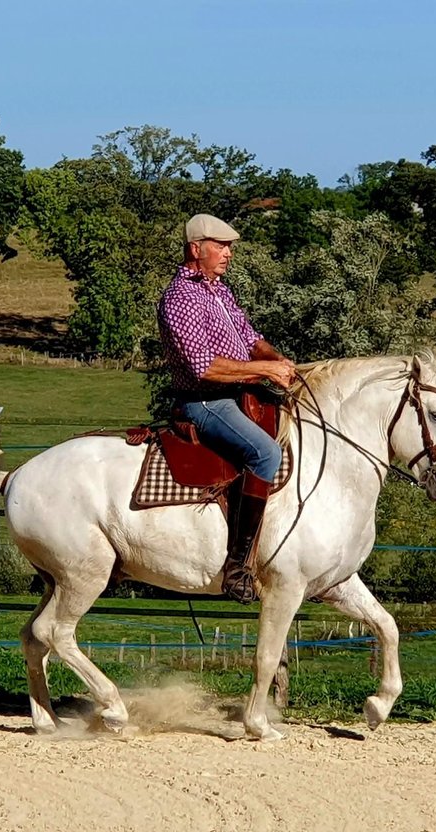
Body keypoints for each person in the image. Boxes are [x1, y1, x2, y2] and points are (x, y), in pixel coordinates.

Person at [158, 213, 297, 603]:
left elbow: (252, 339)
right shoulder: (180, 298)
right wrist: (264, 370)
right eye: (220, 246)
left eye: (229, 246)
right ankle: (237, 567)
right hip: (205, 402)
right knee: (265, 452)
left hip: (240, 396)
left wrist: (281, 362)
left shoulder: (219, 291)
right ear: (195, 249)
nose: (228, 253)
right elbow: (203, 366)